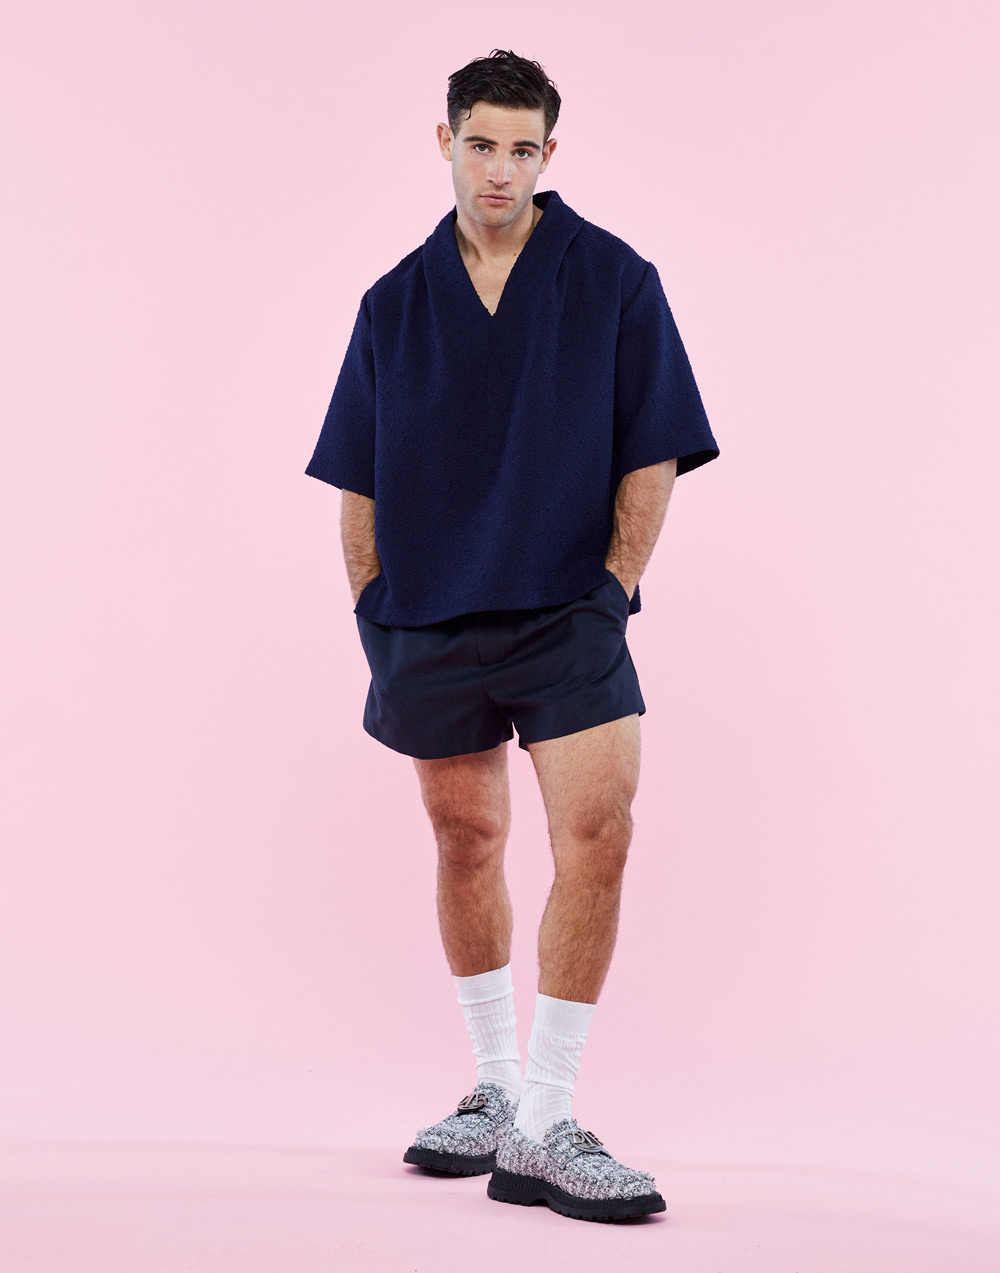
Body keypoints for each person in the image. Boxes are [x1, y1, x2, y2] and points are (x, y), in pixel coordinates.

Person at [305, 49, 719, 1223]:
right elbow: (357, 477)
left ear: (549, 153)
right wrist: (375, 613)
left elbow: (653, 446)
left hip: (565, 615)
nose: (498, 168)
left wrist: (613, 589)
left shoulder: (613, 279)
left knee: (598, 833)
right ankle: (493, 1086)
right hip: (427, 618)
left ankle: (545, 1114)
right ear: (446, 143)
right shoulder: (394, 303)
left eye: (521, 148)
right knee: (465, 840)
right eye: (479, 143)